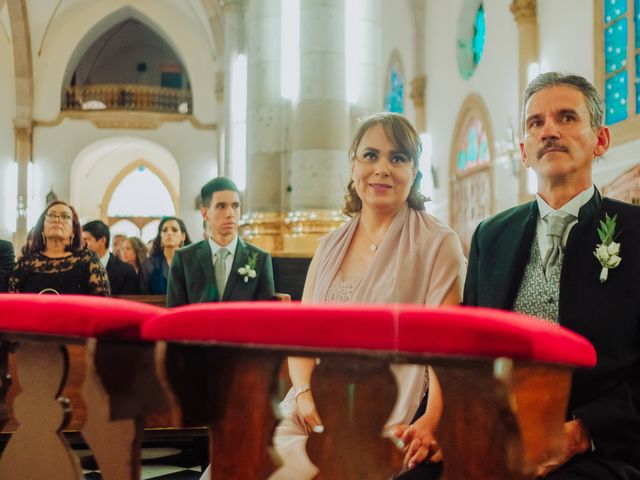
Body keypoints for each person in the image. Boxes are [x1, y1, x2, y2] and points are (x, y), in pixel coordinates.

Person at [464, 72, 640, 479]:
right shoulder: (491, 236)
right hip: (497, 433)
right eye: (536, 122)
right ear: (524, 151)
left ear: (601, 141)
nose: (550, 131)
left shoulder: (634, 232)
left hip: (601, 446)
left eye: (566, 117)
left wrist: (583, 432)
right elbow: (468, 352)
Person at [272, 113, 466, 480]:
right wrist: (302, 394)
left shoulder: (437, 243)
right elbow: (300, 336)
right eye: (370, 155)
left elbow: (448, 347)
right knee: (254, 459)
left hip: (386, 411)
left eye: (398, 158)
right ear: (353, 165)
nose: (382, 169)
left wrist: (432, 419)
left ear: (414, 171)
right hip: (311, 407)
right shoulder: (329, 246)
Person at [166, 177, 275, 307]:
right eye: (221, 206)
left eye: (235, 206)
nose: (230, 214)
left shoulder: (260, 259)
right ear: (205, 213)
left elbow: (265, 315)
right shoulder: (184, 259)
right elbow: (175, 313)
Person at [8, 201, 110, 295]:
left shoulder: (88, 260)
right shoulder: (25, 264)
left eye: (65, 216)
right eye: (51, 215)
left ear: (73, 230)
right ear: (42, 227)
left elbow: (100, 304)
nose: (57, 220)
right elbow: (15, 306)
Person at [82, 220, 139, 295]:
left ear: (102, 240)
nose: (83, 244)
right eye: (82, 240)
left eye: (87, 239)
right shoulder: (80, 267)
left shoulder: (126, 271)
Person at [140, 217, 192, 295]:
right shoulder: (148, 265)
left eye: (174, 230)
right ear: (160, 236)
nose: (169, 233)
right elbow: (143, 296)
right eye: (164, 230)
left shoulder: (192, 263)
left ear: (183, 236)